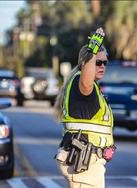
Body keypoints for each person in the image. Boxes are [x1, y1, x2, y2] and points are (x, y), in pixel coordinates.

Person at [54, 27, 115, 188]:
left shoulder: (91, 89)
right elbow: (86, 81)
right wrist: (92, 48)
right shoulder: (82, 84)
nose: (102, 66)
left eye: (105, 62)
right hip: (83, 164)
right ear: (84, 63)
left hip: (89, 164)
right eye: (98, 62)